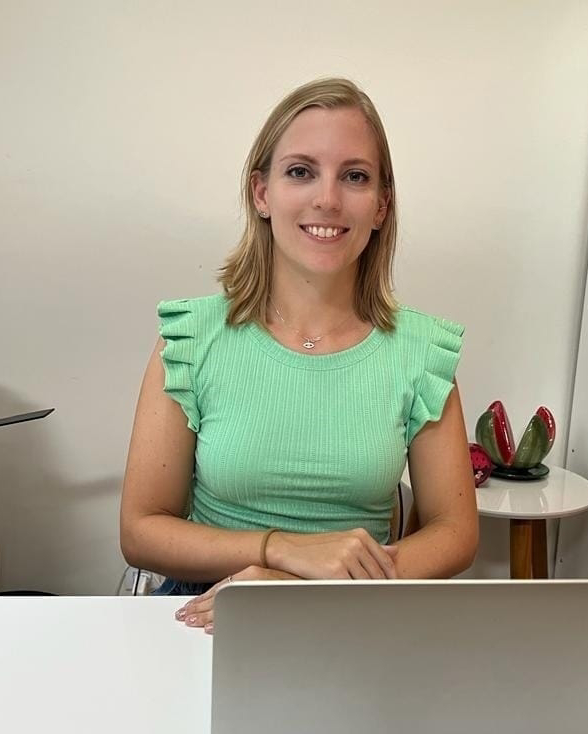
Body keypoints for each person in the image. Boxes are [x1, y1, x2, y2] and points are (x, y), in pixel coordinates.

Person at [120, 77, 479, 634]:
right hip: (211, 610)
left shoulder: (421, 352)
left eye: (354, 176)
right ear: (261, 192)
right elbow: (141, 530)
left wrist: (309, 588)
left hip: (355, 610)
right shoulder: (191, 339)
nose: (328, 199)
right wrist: (280, 550)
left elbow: (455, 532)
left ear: (381, 205)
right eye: (301, 171)